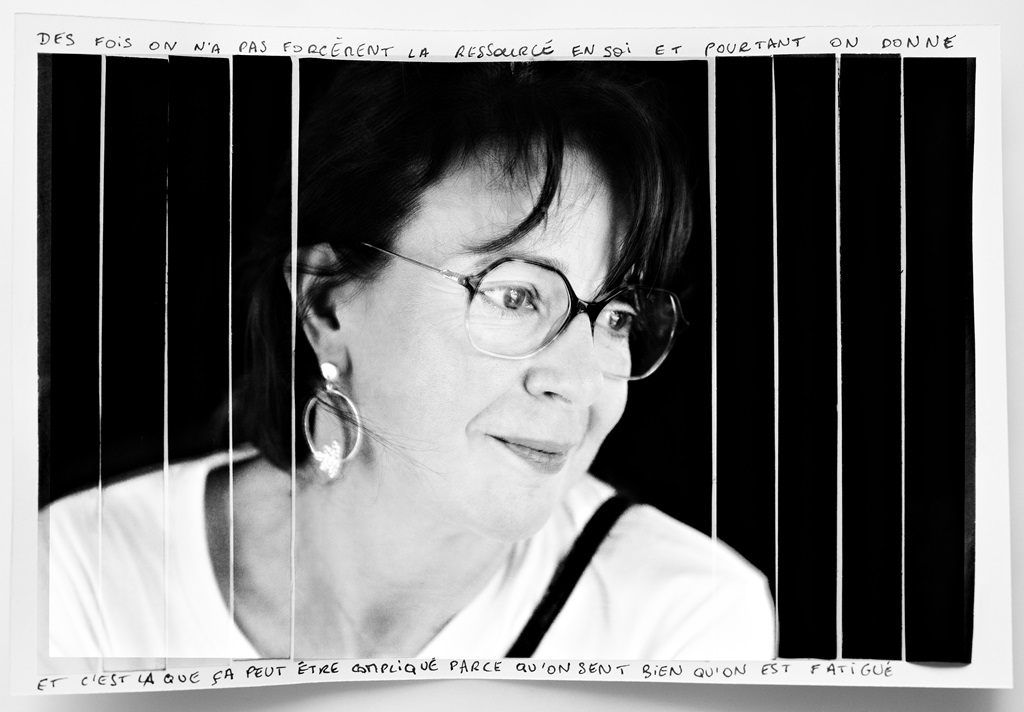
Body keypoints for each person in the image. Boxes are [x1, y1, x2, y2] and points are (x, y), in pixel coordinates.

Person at [43, 61, 775, 664]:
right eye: (516, 295)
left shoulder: (683, 617)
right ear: (327, 306)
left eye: (615, 317)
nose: (584, 383)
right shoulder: (80, 579)